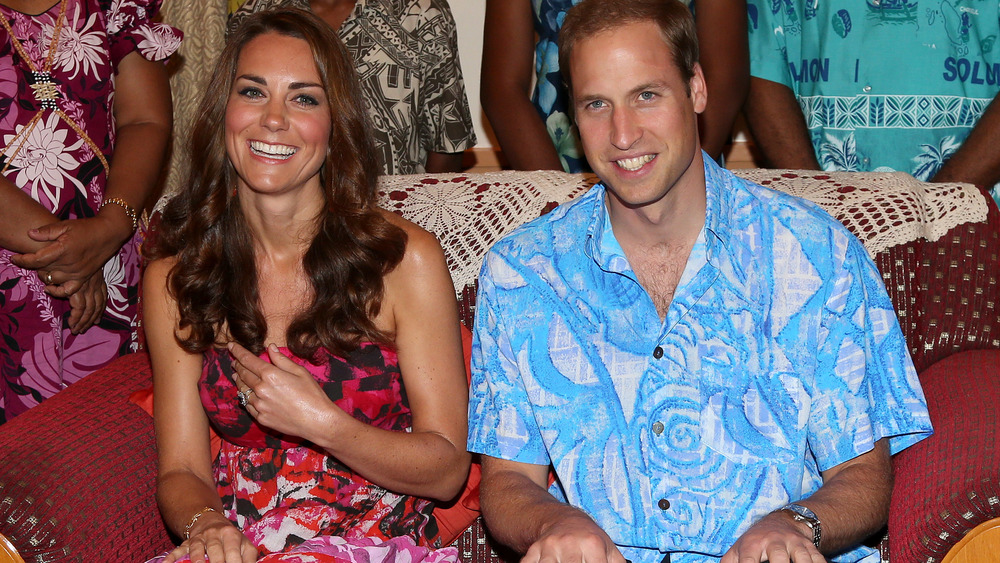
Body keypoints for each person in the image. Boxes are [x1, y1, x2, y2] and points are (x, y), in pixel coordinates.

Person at [467, 0, 933, 562]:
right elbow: (506, 481)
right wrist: (556, 522)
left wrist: (794, 525)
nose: (622, 134)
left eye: (647, 95)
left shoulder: (813, 252)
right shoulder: (522, 271)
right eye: (596, 104)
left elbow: (863, 474)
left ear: (696, 89)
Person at [144, 9, 470, 563]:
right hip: (242, 545)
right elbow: (180, 470)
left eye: (303, 98)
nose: (273, 119)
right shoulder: (177, 278)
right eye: (253, 92)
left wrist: (321, 422)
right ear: (224, 111)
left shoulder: (401, 260)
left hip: (373, 539)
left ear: (335, 124)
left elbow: (446, 471)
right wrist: (207, 528)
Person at [0, 0, 179, 423]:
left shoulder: (111, 4)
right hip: (26, 267)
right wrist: (67, 254)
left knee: (99, 455)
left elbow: (144, 120)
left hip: (109, 254)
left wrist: (111, 226)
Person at [745, 1, 1000, 207]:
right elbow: (760, 55)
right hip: (816, 203)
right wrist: (820, 204)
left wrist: (938, 205)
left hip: (979, 207)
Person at [481, 0, 748, 173]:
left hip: (679, 137)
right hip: (552, 147)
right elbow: (502, 87)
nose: (624, 137)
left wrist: (682, 174)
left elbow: (726, 73)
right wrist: (557, 195)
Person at [227, 0, 477, 175]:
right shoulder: (255, 14)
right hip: (281, 219)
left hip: (389, 219)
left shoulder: (420, 15)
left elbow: (447, 139)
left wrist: (417, 214)